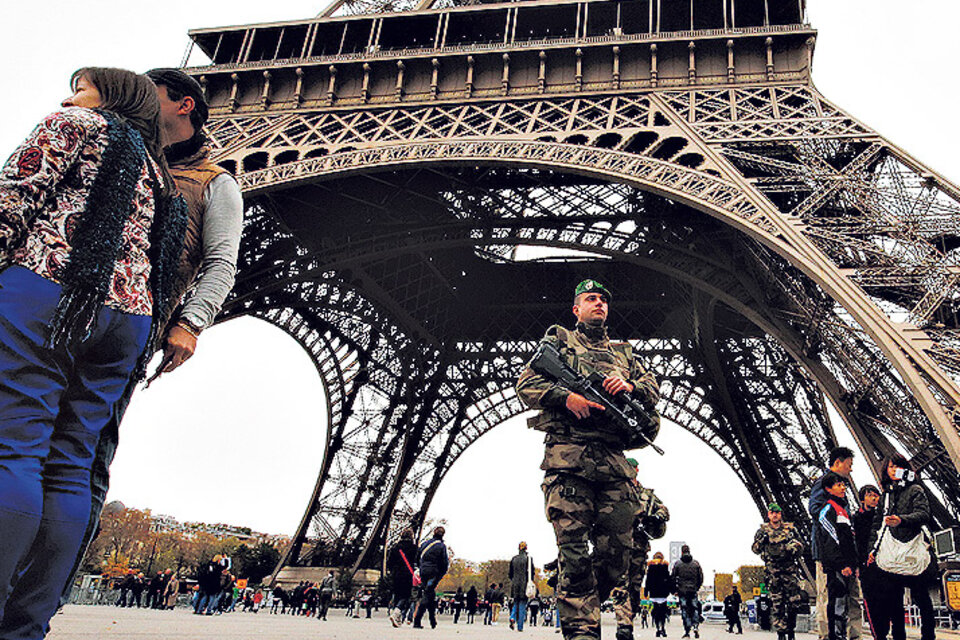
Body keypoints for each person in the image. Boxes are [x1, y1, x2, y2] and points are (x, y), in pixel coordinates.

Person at [0, 67, 186, 639]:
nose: (67, 96)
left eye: (79, 86)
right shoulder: (159, 175)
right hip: (126, 320)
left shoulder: (74, 124)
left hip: (50, 292)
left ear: (111, 95)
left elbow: (11, 206)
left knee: (13, 447)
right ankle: (25, 627)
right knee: (71, 467)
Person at [62, 66, 244, 606]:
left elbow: (220, 261)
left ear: (184, 104)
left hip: (130, 324)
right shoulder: (120, 151)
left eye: (152, 92)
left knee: (83, 454)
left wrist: (190, 323)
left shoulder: (216, 181)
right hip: (60, 311)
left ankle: (39, 599)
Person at [516, 279, 660, 640]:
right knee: (575, 553)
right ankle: (581, 628)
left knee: (617, 556)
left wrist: (629, 388)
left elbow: (653, 389)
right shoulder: (559, 342)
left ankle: (583, 602)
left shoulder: (625, 353)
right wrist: (566, 398)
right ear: (576, 308)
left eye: (603, 300)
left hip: (613, 466)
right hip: (568, 461)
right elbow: (526, 385)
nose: (599, 303)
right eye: (590, 298)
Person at [869, 454, 936, 640]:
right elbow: (877, 526)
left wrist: (901, 520)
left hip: (912, 550)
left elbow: (924, 514)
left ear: (904, 469)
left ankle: (928, 636)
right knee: (894, 600)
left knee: (921, 597)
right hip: (892, 553)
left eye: (897, 466)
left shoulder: (915, 489)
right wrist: (871, 550)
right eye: (890, 467)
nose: (893, 470)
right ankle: (899, 636)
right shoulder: (886, 496)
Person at [612, 458, 670, 640]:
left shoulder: (646, 495)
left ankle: (629, 617)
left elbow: (665, 511)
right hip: (617, 547)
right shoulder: (612, 490)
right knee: (621, 585)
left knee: (635, 588)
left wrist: (657, 517)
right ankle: (624, 626)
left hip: (639, 546)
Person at [809, 447, 861, 640]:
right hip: (829, 552)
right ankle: (829, 635)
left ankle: (849, 635)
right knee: (830, 596)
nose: (851, 469)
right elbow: (816, 511)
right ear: (838, 462)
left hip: (845, 552)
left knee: (848, 596)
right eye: (849, 465)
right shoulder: (824, 485)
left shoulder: (841, 491)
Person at [752, 503, 805, 640]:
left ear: (780, 514)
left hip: (789, 571)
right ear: (768, 514)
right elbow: (755, 549)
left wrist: (792, 547)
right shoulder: (762, 532)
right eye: (772, 512)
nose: (775, 515)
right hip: (773, 572)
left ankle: (791, 628)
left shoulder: (790, 530)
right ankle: (781, 633)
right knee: (777, 604)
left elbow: (801, 548)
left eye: (777, 512)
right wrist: (761, 541)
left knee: (794, 602)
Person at [853, 485, 891, 640]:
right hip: (866, 566)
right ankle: (879, 635)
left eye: (876, 495)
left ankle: (883, 632)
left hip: (883, 564)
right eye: (870, 495)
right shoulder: (856, 519)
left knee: (886, 600)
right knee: (872, 601)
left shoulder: (882, 517)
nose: (874, 498)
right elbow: (855, 543)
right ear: (863, 499)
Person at [413, 526, 449, 629]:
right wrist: (441, 574)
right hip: (434, 572)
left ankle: (432, 621)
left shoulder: (425, 544)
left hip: (423, 571)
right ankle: (417, 620)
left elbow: (417, 557)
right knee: (428, 594)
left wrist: (420, 568)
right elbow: (444, 562)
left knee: (430, 594)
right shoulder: (441, 546)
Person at [671, 544, 703, 639]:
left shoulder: (678, 564)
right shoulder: (696, 564)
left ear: (681, 552)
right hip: (693, 589)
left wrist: (674, 590)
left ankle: (687, 630)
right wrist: (697, 587)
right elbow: (700, 577)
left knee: (684, 609)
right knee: (694, 608)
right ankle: (696, 626)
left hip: (682, 590)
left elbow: (672, 578)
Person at [387, 528, 417, 627]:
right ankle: (397, 612)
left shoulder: (395, 548)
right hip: (408, 574)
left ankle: (398, 618)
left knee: (397, 595)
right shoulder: (414, 548)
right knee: (406, 596)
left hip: (396, 574)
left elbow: (389, 563)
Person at [644, 552, 672, 637]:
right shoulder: (665, 567)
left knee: (655, 612)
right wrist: (671, 590)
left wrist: (646, 591)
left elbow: (648, 581)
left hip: (654, 593)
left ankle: (657, 629)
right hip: (663, 593)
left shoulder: (650, 568)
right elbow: (668, 579)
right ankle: (663, 627)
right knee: (663, 612)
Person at [509, 541, 534, 631]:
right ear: (526, 548)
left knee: (516, 603)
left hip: (515, 584)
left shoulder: (514, 559)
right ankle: (520, 626)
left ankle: (512, 617)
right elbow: (532, 573)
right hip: (524, 584)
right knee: (522, 605)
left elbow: (510, 574)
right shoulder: (528, 559)